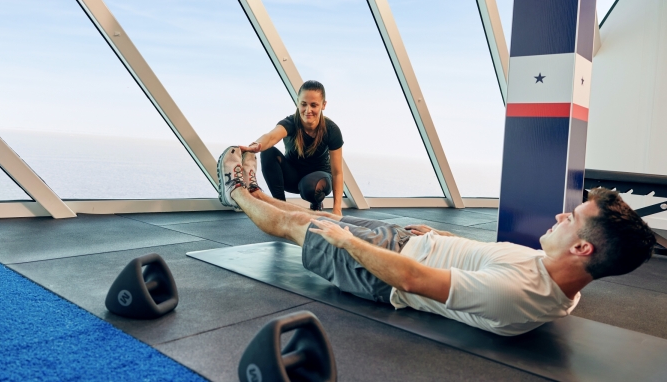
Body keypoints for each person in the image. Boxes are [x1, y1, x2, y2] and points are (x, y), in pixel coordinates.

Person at [216, 145, 656, 336]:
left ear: (583, 249)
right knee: (307, 214)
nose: (562, 215)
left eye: (573, 218)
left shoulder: (519, 296)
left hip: (380, 269)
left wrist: (347, 241)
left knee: (299, 228)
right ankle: (255, 193)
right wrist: (442, 234)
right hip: (408, 242)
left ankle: (235, 189)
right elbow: (483, 259)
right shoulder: (563, 279)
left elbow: (410, 280)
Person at [239, 80, 344, 215]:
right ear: (297, 102)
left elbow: (337, 173)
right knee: (267, 152)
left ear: (323, 105)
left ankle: (316, 202)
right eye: (304, 104)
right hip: (292, 177)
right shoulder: (290, 123)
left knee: (311, 187)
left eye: (314, 105)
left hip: (318, 180)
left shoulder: (331, 130)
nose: (308, 110)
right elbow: (271, 137)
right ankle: (280, 208)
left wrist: (337, 209)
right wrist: (253, 146)